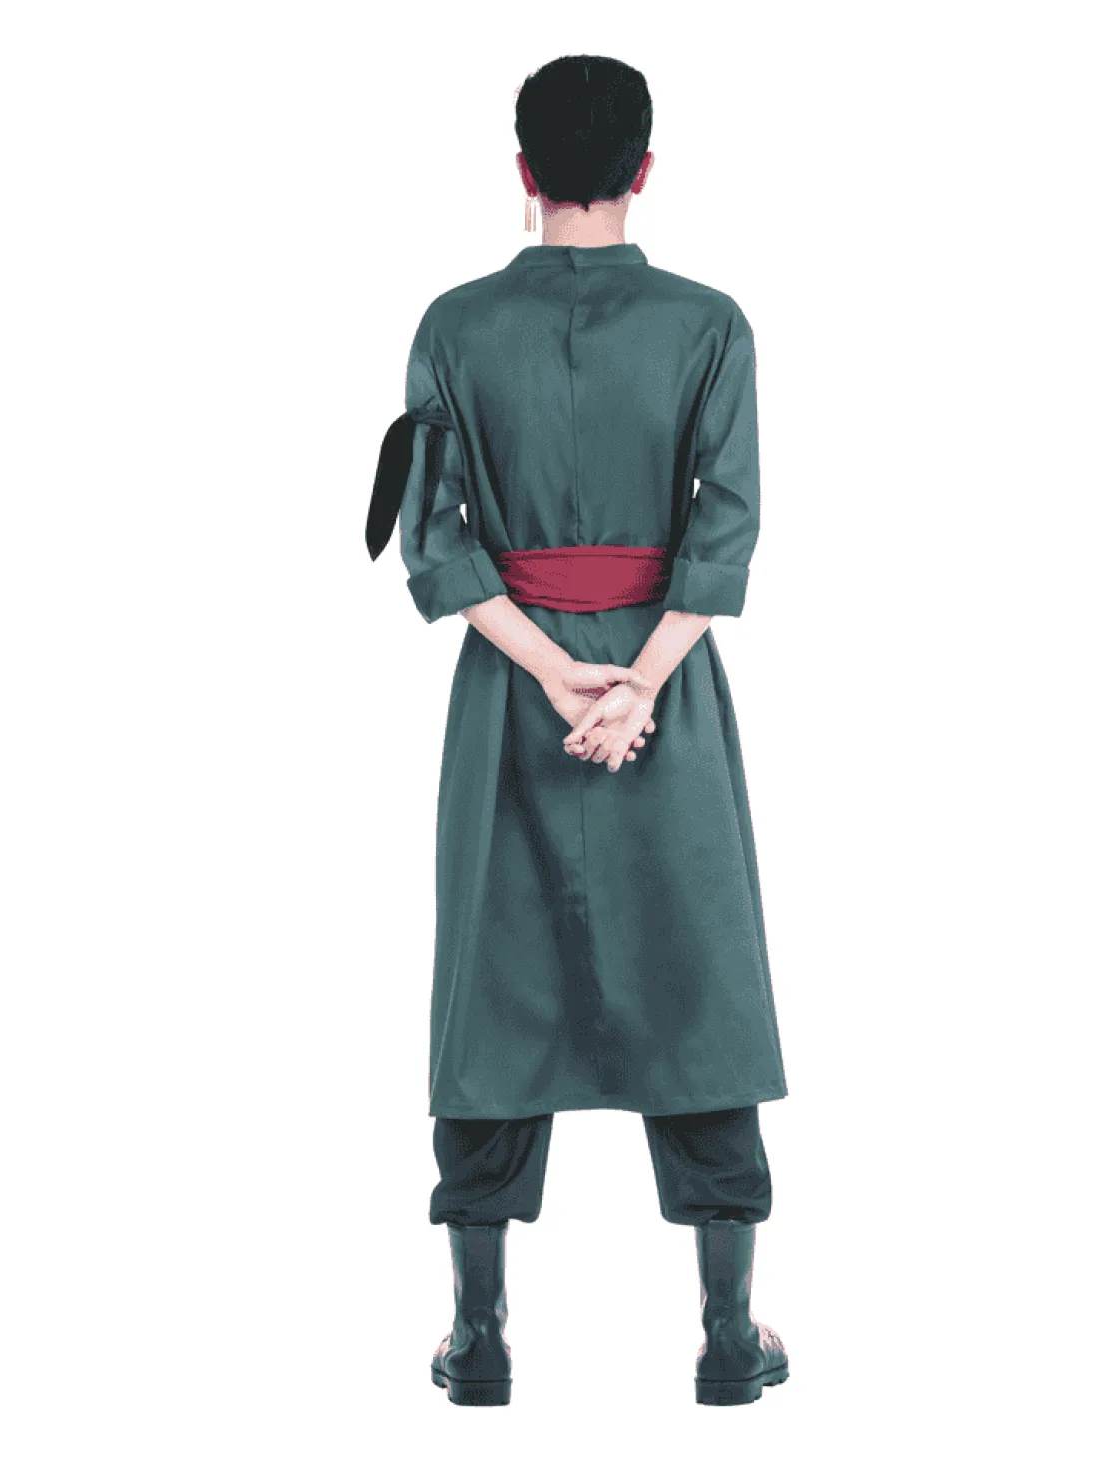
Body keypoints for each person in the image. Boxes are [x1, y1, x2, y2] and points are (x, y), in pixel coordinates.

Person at [366, 54, 790, 1407]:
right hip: (664, 688)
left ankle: (479, 1337)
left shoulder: (454, 325)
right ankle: (728, 1337)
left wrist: (554, 672)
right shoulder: (711, 324)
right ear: (645, 170)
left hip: (514, 686)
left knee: (493, 986)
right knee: (699, 979)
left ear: (523, 168)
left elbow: (434, 536)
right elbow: (726, 528)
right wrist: (637, 685)